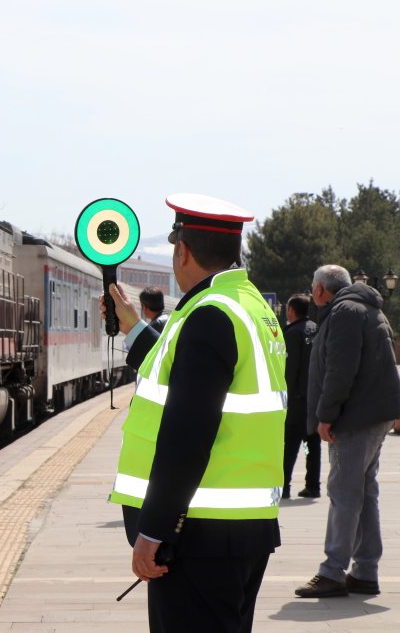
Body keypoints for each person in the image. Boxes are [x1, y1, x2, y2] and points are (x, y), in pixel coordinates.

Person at [106, 193, 286, 633]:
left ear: (183, 250)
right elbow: (191, 382)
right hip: (241, 529)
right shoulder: (251, 308)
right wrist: (134, 329)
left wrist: (153, 530)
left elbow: (187, 433)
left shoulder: (207, 315)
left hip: (196, 534)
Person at [294, 264, 400, 598]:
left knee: (344, 493)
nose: (313, 293)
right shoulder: (367, 309)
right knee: (363, 493)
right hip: (373, 415)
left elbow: (340, 369)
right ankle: (365, 570)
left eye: (314, 287)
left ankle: (333, 571)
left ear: (321, 289)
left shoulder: (344, 313)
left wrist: (326, 415)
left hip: (354, 418)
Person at [282, 293, 320, 499]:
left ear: (291, 310)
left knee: (290, 446)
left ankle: (284, 486)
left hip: (297, 401)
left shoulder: (293, 333)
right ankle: (313, 485)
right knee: (311, 444)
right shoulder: (317, 330)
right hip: (315, 399)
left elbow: (290, 369)